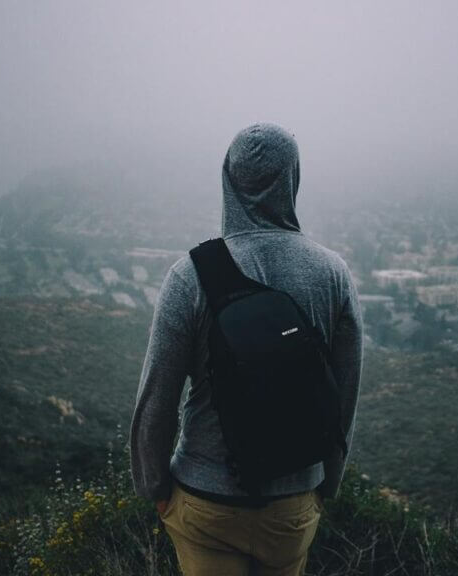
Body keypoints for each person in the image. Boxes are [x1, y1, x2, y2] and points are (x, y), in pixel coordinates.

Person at [130, 123, 363, 576]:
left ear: (227, 181)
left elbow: (157, 396)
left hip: (204, 502)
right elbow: (345, 394)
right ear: (293, 180)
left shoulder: (189, 275)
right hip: (292, 504)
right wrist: (326, 484)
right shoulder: (332, 274)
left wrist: (155, 488)